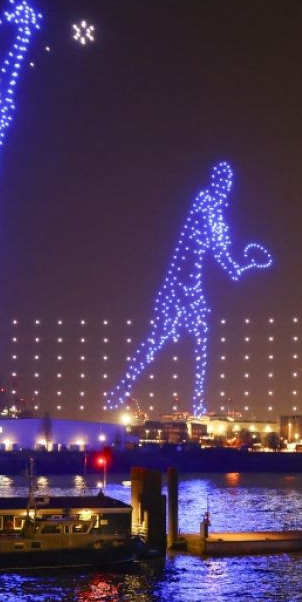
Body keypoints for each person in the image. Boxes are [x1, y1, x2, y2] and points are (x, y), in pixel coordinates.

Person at [107, 162, 272, 417]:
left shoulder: (209, 209)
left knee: (182, 340)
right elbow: (227, 262)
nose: (225, 188)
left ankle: (130, 393)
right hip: (180, 289)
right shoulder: (208, 207)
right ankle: (125, 391)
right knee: (160, 341)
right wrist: (248, 263)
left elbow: (227, 263)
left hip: (187, 288)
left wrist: (247, 264)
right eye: (223, 183)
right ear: (219, 183)